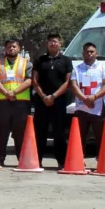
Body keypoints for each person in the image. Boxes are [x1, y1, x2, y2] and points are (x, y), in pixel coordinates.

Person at [32, 34, 75, 169]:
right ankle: (37, 160)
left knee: (59, 133)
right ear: (47, 43)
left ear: (60, 43)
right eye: (50, 42)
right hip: (41, 101)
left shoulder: (66, 60)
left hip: (59, 101)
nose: (53, 44)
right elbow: (34, 80)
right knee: (40, 132)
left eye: (55, 42)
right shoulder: (40, 60)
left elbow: (68, 82)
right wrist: (44, 96)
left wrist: (54, 96)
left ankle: (61, 162)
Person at [0, 38, 32, 167]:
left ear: (19, 48)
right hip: (3, 101)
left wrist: (14, 93)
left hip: (21, 102)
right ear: (5, 48)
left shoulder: (27, 63)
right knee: (1, 131)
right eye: (9, 46)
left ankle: (22, 158)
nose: (11, 48)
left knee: (20, 132)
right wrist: (6, 93)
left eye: (14, 46)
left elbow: (29, 80)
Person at [70, 42, 105, 155]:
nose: (89, 54)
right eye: (87, 52)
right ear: (83, 53)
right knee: (79, 135)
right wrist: (85, 99)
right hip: (81, 107)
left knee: (101, 136)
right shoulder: (77, 69)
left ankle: (102, 160)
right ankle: (78, 159)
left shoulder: (103, 68)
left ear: (96, 53)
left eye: (92, 52)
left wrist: (93, 97)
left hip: (98, 107)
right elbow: (73, 85)